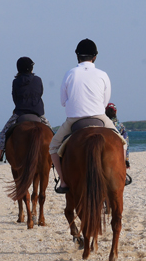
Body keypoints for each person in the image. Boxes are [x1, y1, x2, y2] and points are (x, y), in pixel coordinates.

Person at [50, 38, 125, 193]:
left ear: (77, 55)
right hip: (99, 117)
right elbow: (106, 102)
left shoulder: (69, 73)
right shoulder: (103, 74)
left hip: (74, 120)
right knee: (121, 143)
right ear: (95, 56)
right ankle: (122, 176)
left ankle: (63, 181)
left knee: (53, 147)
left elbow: (63, 102)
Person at [0, 57, 52, 162]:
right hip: (38, 113)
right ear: (31, 68)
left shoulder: (15, 82)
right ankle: (54, 155)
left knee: (3, 134)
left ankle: (0, 153)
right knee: (51, 133)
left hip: (20, 113)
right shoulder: (38, 80)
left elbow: (15, 98)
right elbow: (40, 93)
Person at [105, 102, 131, 185]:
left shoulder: (102, 124)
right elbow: (126, 141)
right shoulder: (120, 126)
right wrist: (127, 160)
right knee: (125, 144)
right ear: (115, 112)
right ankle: (123, 171)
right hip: (117, 151)